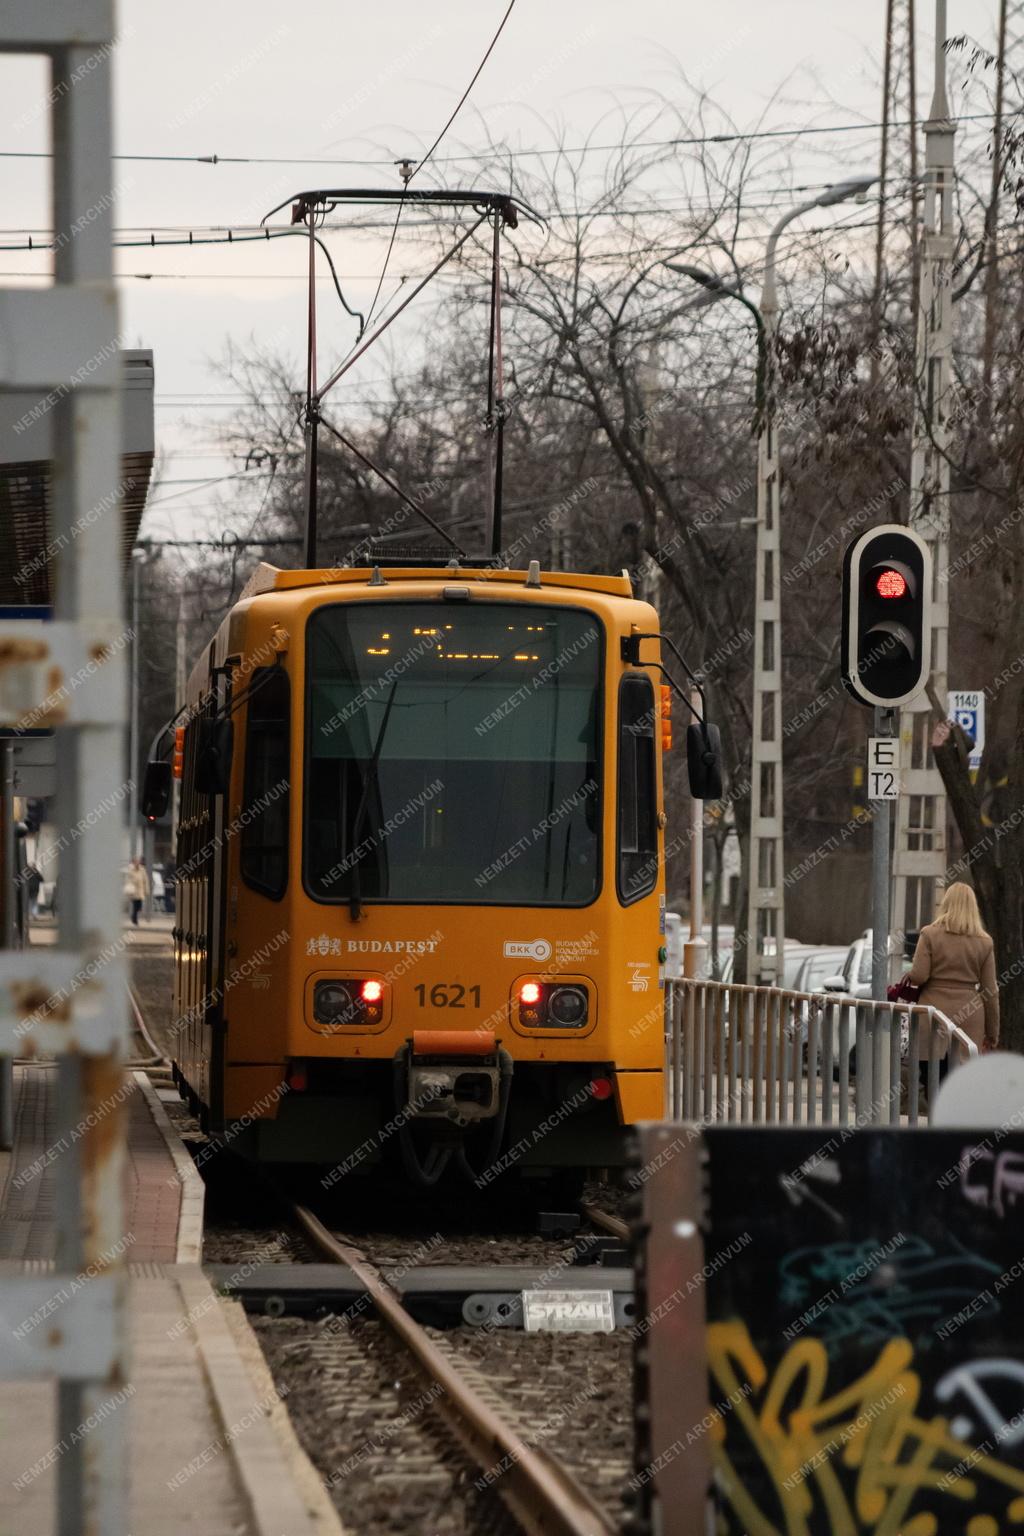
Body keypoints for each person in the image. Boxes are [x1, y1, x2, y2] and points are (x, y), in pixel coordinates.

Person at [909, 882, 999, 1094]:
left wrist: (911, 974)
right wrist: (992, 1032)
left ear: (946, 904)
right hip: (970, 1015)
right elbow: (990, 991)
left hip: (933, 1013)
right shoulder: (984, 942)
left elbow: (919, 976)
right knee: (963, 1079)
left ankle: (938, 1120)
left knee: (932, 1076)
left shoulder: (929, 934)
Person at [124, 857, 149, 927]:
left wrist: (146, 889)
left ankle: (133, 917)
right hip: (134, 891)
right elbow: (128, 880)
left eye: (138, 861)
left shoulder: (142, 869)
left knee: (139, 906)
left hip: (140, 891)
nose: (137, 863)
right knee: (135, 906)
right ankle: (135, 920)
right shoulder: (131, 870)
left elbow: (145, 880)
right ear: (134, 862)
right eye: (136, 861)